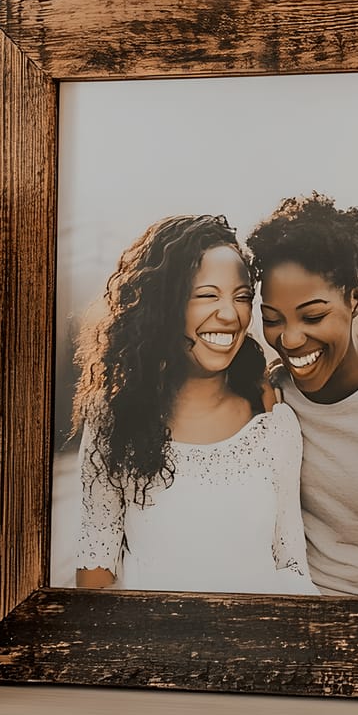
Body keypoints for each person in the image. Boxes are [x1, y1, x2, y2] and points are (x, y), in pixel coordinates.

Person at [73, 213, 309, 592]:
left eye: (242, 297)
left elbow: (291, 564)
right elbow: (95, 571)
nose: (230, 315)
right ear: (164, 307)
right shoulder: (114, 417)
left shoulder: (273, 423)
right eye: (206, 295)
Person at [246, 193, 358, 598]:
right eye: (272, 319)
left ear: (355, 300)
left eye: (313, 316)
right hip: (293, 604)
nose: (290, 339)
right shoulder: (273, 395)